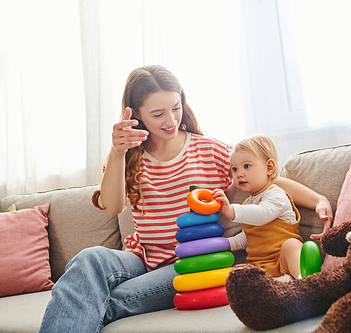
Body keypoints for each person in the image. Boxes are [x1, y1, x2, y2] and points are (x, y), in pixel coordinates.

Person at [38, 65, 332, 332]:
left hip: (190, 262)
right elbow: (113, 207)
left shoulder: (210, 151)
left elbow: (267, 180)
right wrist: (117, 153)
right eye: (157, 114)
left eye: (175, 108)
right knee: (88, 259)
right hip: (141, 257)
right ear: (136, 114)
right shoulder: (128, 158)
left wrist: (318, 198)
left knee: (104, 299)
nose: (170, 120)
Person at [213, 135, 305, 280]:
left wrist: (231, 210)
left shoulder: (276, 194)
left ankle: (304, 279)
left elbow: (263, 214)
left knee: (292, 245)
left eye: (246, 166)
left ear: (269, 168)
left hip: (283, 262)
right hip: (259, 268)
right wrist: (224, 244)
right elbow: (247, 237)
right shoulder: (248, 204)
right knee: (237, 274)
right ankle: (273, 286)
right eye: (234, 169)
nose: (239, 174)